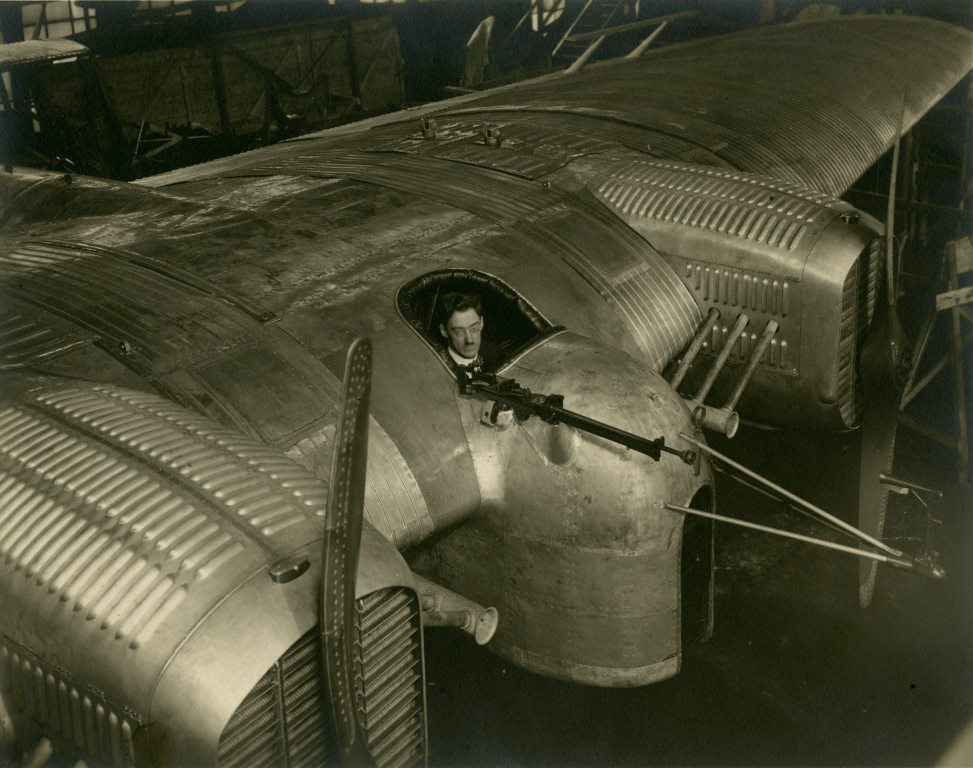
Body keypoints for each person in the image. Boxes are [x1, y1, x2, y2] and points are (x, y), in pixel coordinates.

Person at [438, 291, 504, 377]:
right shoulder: (436, 367)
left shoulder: (496, 356)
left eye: (474, 329)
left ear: (481, 323)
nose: (469, 340)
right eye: (458, 332)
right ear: (444, 331)